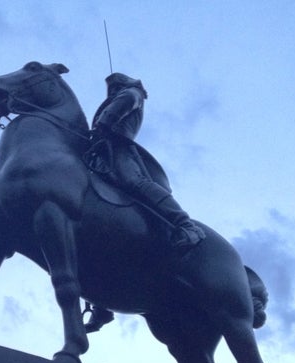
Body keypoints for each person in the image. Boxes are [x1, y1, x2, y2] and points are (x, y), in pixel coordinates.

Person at [84, 72, 205, 333]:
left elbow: (121, 106)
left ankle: (185, 224)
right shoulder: (120, 96)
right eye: (109, 88)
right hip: (101, 154)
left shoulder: (132, 94)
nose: (111, 91)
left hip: (119, 148)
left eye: (115, 86)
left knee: (133, 182)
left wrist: (103, 122)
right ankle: (100, 305)